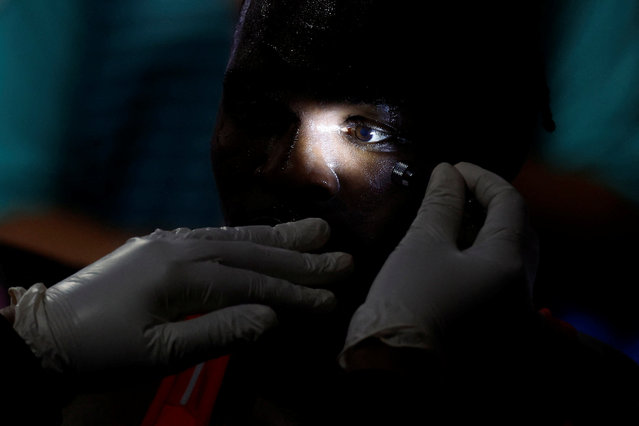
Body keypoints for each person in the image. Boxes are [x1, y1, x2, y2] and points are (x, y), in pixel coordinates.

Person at [2, 1, 638, 425]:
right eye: (254, 113)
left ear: (488, 158)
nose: (291, 170)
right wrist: (28, 350)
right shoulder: (121, 384)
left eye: (368, 133)